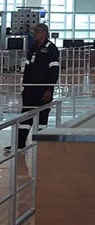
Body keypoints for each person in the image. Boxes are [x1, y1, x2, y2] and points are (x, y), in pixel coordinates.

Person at [4, 23, 59, 154]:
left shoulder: (51, 49)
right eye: (35, 31)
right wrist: (25, 85)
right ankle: (20, 145)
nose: (35, 34)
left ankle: (42, 145)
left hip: (43, 89)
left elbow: (54, 70)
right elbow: (28, 67)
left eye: (38, 31)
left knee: (42, 119)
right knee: (25, 117)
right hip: (30, 89)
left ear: (45, 33)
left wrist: (49, 89)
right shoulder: (33, 47)